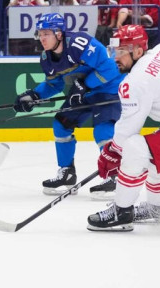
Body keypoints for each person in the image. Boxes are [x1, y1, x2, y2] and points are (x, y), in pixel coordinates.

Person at [86, 26, 160, 231]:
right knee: (154, 157)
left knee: (133, 148)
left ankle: (121, 212)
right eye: (114, 51)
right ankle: (156, 209)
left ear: (138, 51)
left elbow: (128, 130)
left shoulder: (135, 81)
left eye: (121, 52)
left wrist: (111, 153)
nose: (114, 58)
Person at [13, 13, 124, 197]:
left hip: (109, 88)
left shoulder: (80, 43)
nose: (42, 38)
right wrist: (34, 95)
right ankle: (67, 173)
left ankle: (114, 176)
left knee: (102, 130)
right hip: (84, 91)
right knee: (61, 124)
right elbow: (54, 84)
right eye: (40, 34)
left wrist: (85, 84)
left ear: (58, 34)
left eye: (46, 34)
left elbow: (112, 66)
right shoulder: (46, 58)